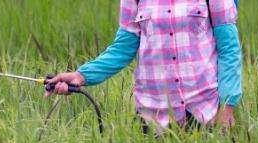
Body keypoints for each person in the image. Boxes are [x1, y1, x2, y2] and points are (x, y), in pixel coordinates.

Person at [45, 0, 242, 130]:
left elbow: (229, 50)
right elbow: (123, 48)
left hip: (203, 114)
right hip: (152, 120)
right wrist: (81, 76)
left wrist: (227, 108)